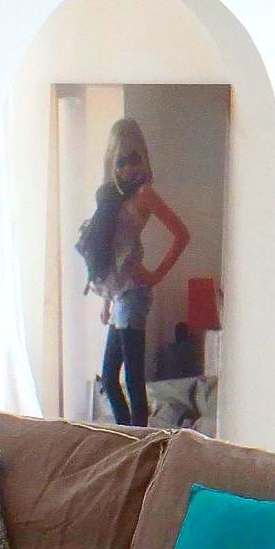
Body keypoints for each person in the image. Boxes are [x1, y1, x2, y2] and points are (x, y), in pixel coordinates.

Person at [84, 118, 189, 426]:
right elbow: (113, 251)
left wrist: (156, 275)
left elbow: (181, 234)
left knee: (132, 379)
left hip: (134, 295)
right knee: (109, 377)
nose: (128, 168)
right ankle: (128, 436)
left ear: (144, 158)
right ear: (112, 163)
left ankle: (140, 442)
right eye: (121, 161)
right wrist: (106, 298)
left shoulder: (144, 193)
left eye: (134, 159)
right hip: (118, 294)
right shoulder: (114, 196)